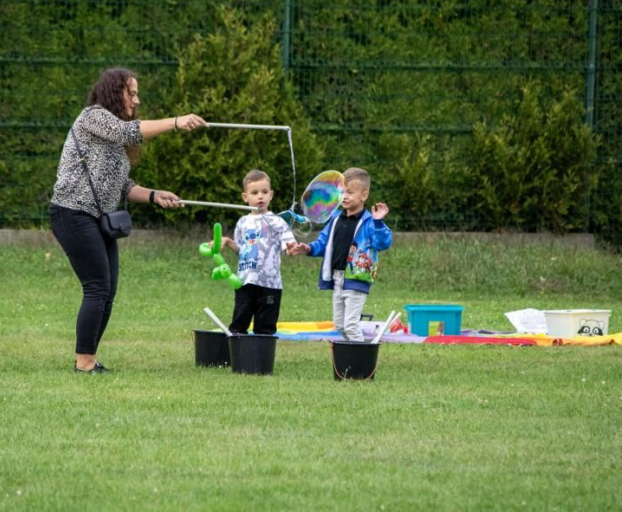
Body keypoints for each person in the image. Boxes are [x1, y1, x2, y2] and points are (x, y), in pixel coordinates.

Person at [50, 68, 207, 373]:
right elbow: (129, 132)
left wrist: (154, 195)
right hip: (72, 212)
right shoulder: (93, 117)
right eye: (131, 93)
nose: (137, 100)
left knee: (107, 291)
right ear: (113, 92)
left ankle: (88, 358)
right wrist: (176, 122)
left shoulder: (112, 137)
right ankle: (84, 363)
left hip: (99, 218)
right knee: (97, 287)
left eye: (137, 94)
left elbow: (122, 186)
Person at [287, 168, 392, 342]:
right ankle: (352, 351)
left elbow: (383, 243)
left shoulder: (369, 223)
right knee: (340, 325)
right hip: (337, 278)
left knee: (350, 325)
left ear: (364, 195)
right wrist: (308, 248)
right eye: (342, 192)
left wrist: (378, 222)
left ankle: (361, 356)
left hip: (356, 279)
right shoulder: (335, 219)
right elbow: (323, 244)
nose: (345, 197)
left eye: (350, 192)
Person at [217, 169, 296, 335]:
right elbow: (243, 251)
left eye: (264, 192)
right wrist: (228, 242)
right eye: (254, 193)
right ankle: (238, 349)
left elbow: (288, 247)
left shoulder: (278, 222)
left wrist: (291, 249)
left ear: (271, 195)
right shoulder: (243, 222)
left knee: (265, 327)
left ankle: (261, 351)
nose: (260, 196)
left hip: (270, 284)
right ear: (245, 197)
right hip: (245, 282)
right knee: (239, 324)